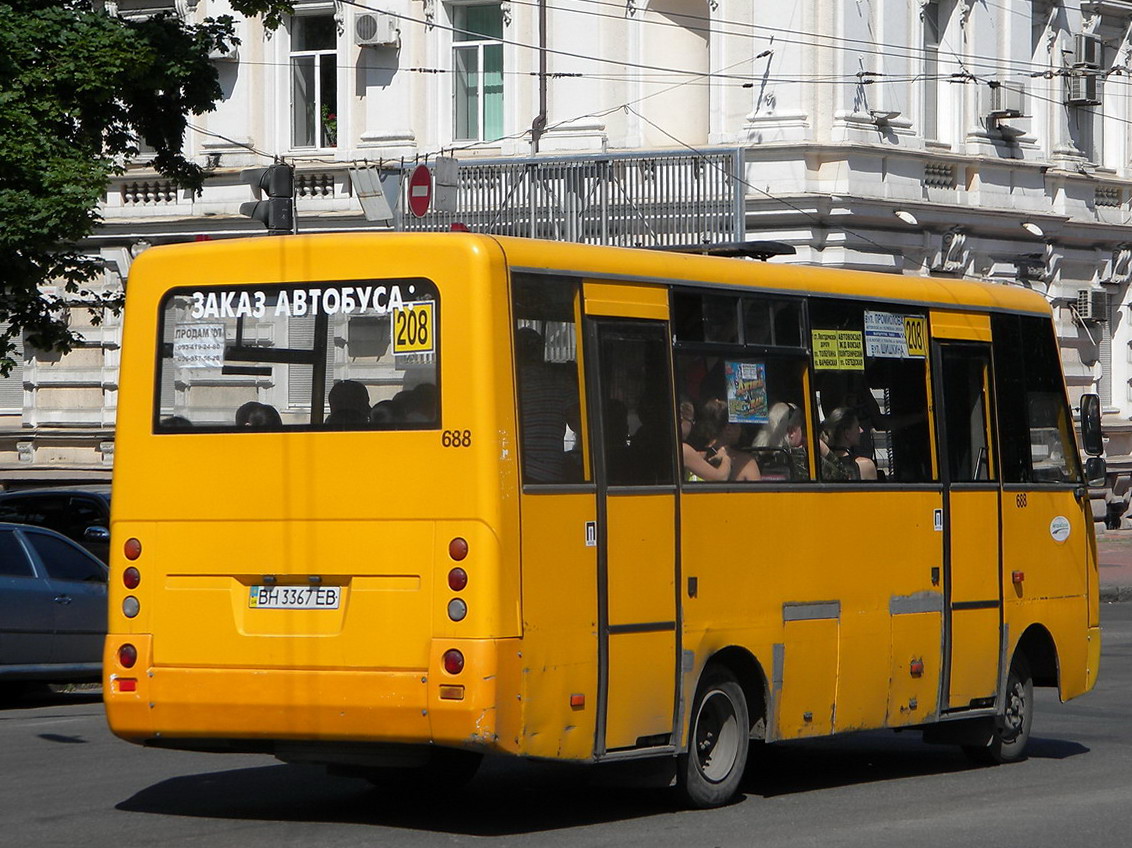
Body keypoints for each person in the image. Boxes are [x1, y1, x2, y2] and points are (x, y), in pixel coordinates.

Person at [820, 406, 877, 481]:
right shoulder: (865, 465)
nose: (861, 430)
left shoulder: (821, 465)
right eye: (857, 427)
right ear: (847, 434)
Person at [682, 398, 733, 482]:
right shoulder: (683, 450)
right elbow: (720, 477)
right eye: (691, 421)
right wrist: (726, 458)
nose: (692, 425)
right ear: (680, 419)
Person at [754, 401, 809, 480]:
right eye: (801, 428)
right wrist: (824, 450)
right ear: (791, 431)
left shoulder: (753, 458)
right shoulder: (801, 461)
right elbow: (832, 477)